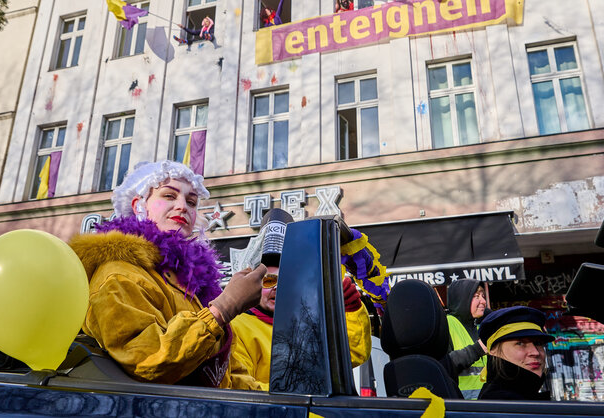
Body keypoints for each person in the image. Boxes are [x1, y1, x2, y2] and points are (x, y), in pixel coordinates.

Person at [69, 161, 264, 389]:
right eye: (170, 196)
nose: (183, 206)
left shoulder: (189, 282)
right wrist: (222, 309)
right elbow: (147, 359)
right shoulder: (118, 273)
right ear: (138, 206)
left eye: (191, 202)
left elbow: (229, 376)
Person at [230, 212, 377, 390]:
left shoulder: (308, 320)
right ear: (254, 284)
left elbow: (353, 355)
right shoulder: (237, 326)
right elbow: (241, 387)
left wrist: (350, 307)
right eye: (269, 280)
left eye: (285, 280)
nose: (277, 287)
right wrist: (298, 393)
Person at [477, 306, 554, 400]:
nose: (535, 352)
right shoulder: (499, 403)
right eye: (520, 343)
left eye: (538, 343)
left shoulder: (518, 397)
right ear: (494, 350)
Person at [445, 279, 489, 399]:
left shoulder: (480, 326)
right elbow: (443, 365)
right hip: (462, 406)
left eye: (483, 296)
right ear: (462, 299)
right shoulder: (447, 324)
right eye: (476, 296)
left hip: (486, 403)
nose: (483, 301)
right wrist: (477, 349)